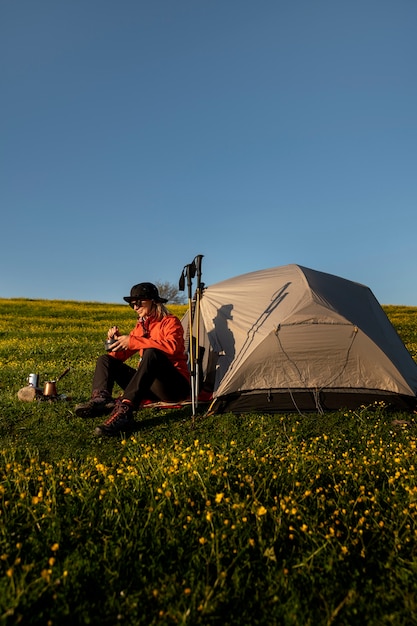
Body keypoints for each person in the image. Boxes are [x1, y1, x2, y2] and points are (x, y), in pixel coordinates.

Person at [75, 282, 190, 436]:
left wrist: (134, 341)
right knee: (105, 359)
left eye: (138, 302)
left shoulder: (170, 322)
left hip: (174, 387)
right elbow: (119, 357)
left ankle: (126, 411)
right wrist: (116, 343)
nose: (135, 307)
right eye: (132, 304)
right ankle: (101, 401)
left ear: (153, 301)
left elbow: (173, 347)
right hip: (149, 386)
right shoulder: (140, 327)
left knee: (151, 353)